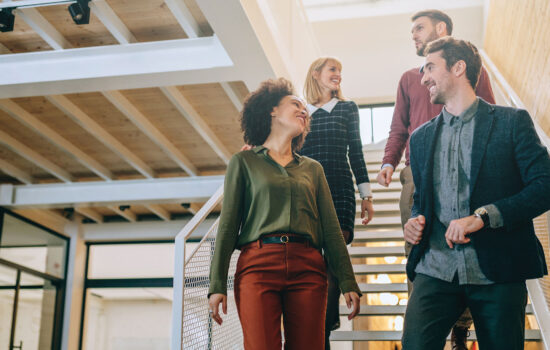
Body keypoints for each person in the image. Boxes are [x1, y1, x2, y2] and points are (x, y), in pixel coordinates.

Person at [401, 36, 550, 350]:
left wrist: (484, 216)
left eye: (430, 67)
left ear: (458, 67)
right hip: (434, 270)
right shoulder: (420, 139)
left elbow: (544, 186)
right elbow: (421, 201)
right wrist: (415, 220)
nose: (423, 77)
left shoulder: (512, 123)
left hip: (498, 271)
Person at [208, 78, 362, 350]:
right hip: (257, 266)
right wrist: (217, 283)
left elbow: (330, 229)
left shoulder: (313, 169)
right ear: (272, 110)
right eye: (296, 104)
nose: (304, 111)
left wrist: (348, 280)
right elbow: (229, 226)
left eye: (305, 108)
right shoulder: (244, 162)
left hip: (309, 269)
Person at [375, 9, 495, 348]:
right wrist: (389, 161)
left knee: (466, 245)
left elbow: (490, 114)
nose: (413, 34)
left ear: (440, 28)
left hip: (467, 171)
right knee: (417, 246)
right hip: (418, 173)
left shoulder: (469, 68)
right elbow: (399, 125)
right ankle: (424, 324)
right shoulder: (409, 79)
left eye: (419, 28)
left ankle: (462, 325)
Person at [300, 57, 374, 348]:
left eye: (340, 72)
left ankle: (323, 334)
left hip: (340, 192)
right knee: (309, 263)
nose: (338, 76)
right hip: (306, 193)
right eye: (333, 70)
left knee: (330, 262)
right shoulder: (301, 111)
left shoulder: (347, 108)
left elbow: (355, 151)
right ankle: (316, 329)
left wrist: (366, 195)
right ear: (316, 74)